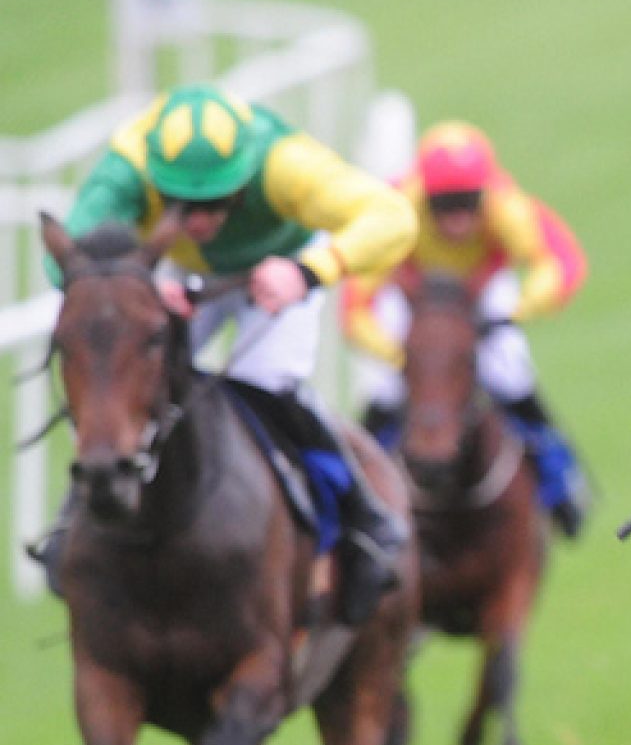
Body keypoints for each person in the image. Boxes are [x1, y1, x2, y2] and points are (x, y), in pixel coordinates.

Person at [36, 83, 415, 623]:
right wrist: (135, 281)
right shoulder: (128, 164)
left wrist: (309, 271)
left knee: (268, 381)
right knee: (125, 373)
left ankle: (365, 518)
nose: (198, 221)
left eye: (215, 203)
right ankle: (71, 519)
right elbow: (64, 261)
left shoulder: (284, 163)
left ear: (243, 177)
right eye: (180, 204)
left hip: (282, 268)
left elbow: (394, 218)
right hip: (182, 279)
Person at [341, 121, 592, 537]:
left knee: (510, 371)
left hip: (481, 291)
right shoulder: (397, 209)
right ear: (426, 197)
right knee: (385, 389)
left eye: (467, 205)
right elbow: (355, 306)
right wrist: (398, 355)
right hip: (414, 297)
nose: (457, 222)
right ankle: (357, 490)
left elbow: (560, 262)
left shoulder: (505, 206)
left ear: (484, 194)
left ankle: (560, 478)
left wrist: (521, 307)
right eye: (444, 207)